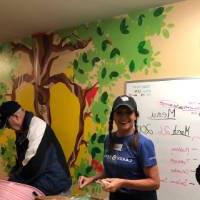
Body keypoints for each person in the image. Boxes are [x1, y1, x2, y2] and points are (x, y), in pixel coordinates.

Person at [78, 95, 160, 200]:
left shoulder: (143, 143)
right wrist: (92, 179)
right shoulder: (109, 139)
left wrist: (122, 183)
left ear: (135, 115)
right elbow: (111, 171)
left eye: (128, 112)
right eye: (119, 113)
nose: (123, 117)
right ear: (113, 116)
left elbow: (155, 183)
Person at [0, 101, 72, 195]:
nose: (9, 128)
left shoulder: (37, 127)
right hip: (42, 185)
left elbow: (33, 165)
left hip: (56, 188)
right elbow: (22, 163)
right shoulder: (22, 132)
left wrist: (11, 181)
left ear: (15, 117)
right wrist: (10, 177)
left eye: (7, 124)